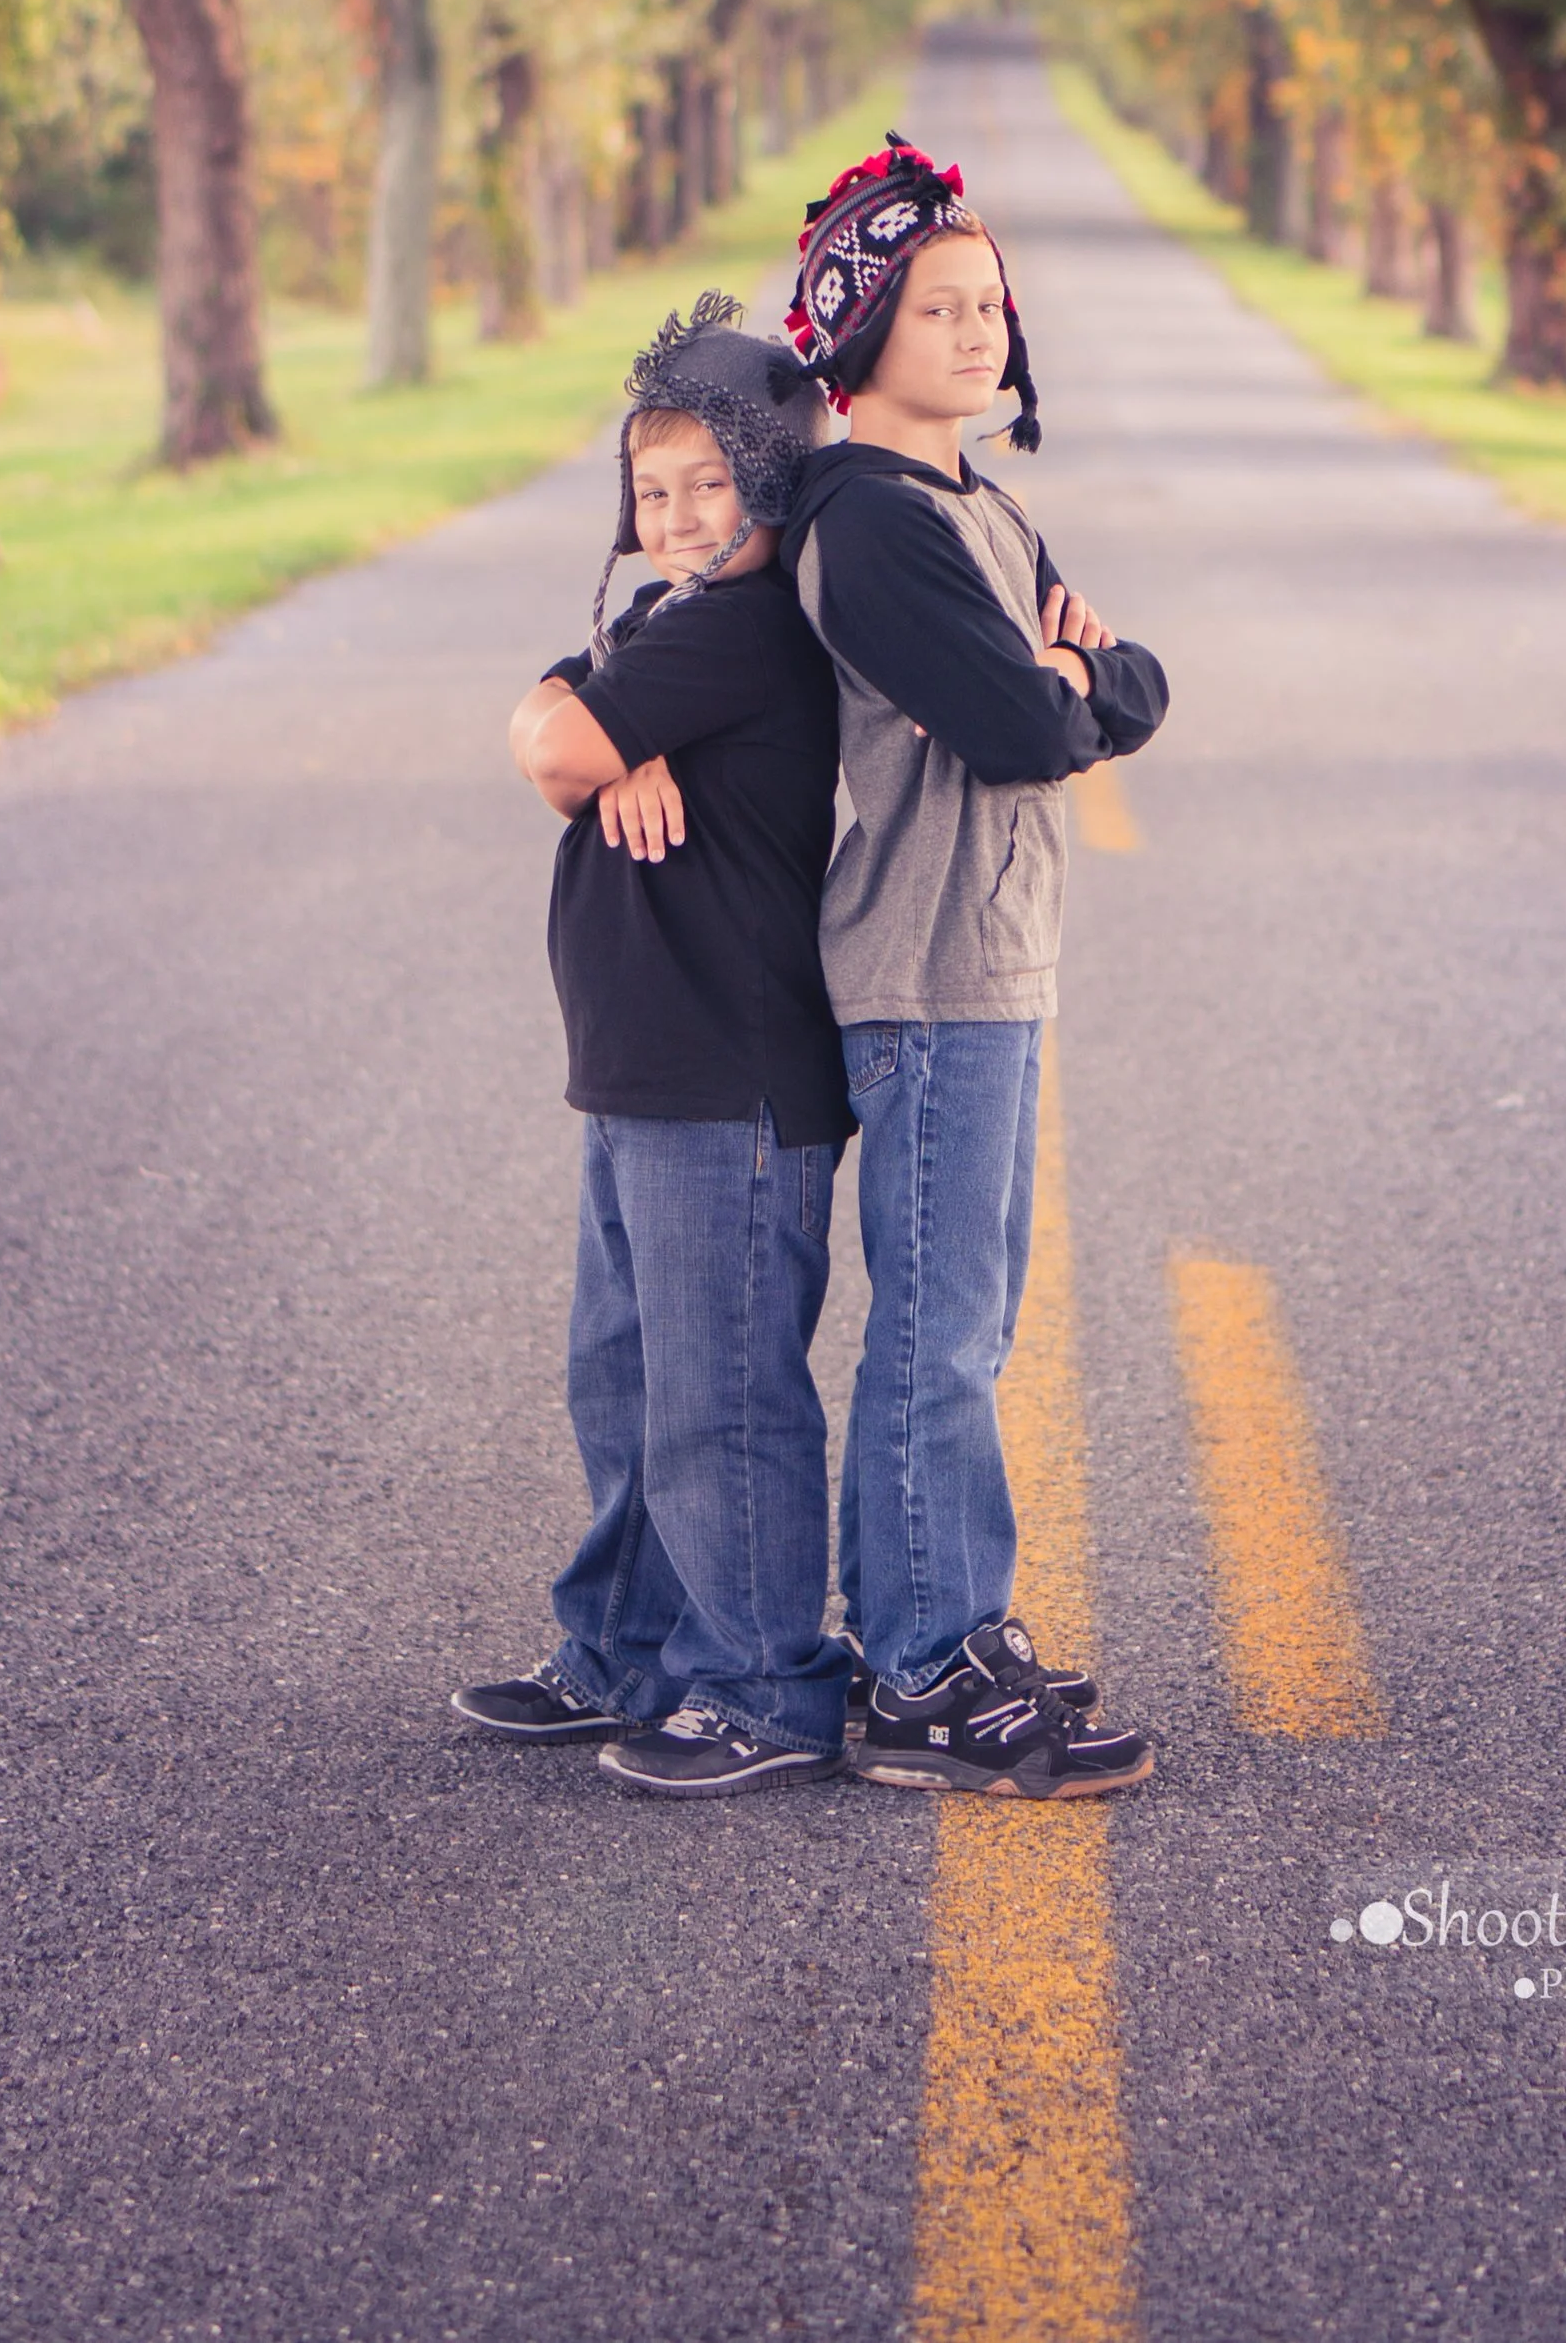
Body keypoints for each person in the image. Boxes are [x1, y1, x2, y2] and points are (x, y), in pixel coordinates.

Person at [781, 135, 1169, 1801]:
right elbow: (1030, 721)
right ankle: (923, 1670)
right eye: (940, 304)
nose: (979, 329)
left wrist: (1068, 680)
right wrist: (1056, 684)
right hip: (927, 971)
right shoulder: (872, 520)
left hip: (993, 966)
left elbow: (1127, 675)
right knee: (940, 1329)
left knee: (971, 1318)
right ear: (860, 328)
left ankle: (941, 1621)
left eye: (990, 302)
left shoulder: (973, 503)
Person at [454, 295, 853, 1796]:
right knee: (620, 1383)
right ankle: (625, 1645)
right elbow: (551, 710)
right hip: (641, 1076)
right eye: (653, 486)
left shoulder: (746, 629)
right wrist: (597, 732)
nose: (680, 513)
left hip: (726, 1081)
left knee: (717, 1393)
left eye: (711, 481)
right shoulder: (662, 629)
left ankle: (765, 1680)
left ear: (773, 477)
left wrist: (591, 740)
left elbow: (557, 740)